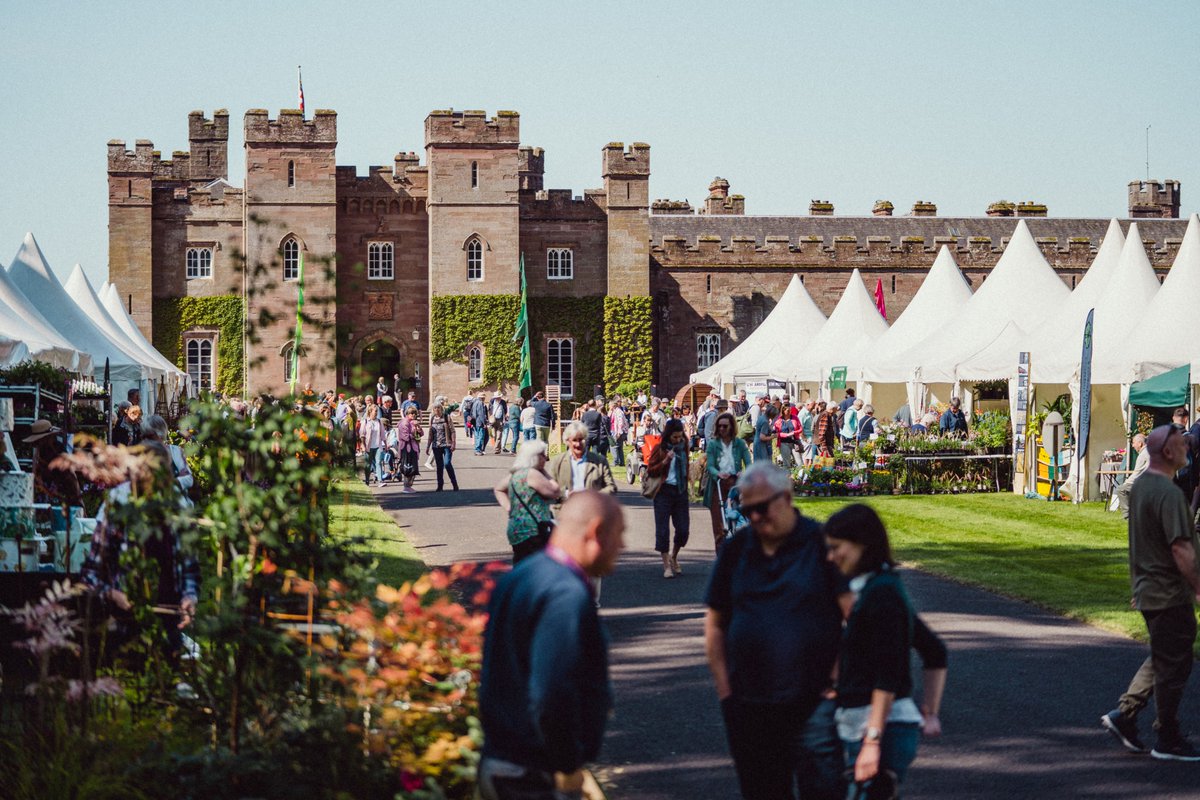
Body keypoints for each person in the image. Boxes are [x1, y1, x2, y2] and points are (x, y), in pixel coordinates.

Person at [705, 462, 850, 799]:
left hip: (815, 703)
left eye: (761, 508)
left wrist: (837, 678)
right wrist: (726, 693)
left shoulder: (821, 544)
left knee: (824, 791)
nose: (754, 517)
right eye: (746, 509)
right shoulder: (736, 551)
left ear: (786, 498)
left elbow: (854, 614)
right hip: (749, 704)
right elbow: (714, 625)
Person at [479, 491, 624, 800]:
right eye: (618, 536)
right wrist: (569, 763)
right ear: (596, 532)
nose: (622, 547)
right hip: (532, 773)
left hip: (501, 759)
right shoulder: (565, 594)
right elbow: (552, 691)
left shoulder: (520, 576)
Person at [824, 504, 948, 794]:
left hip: (880, 731)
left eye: (836, 547)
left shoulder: (882, 595)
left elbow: (887, 673)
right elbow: (934, 650)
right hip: (875, 727)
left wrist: (872, 741)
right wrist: (930, 712)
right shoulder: (879, 587)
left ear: (862, 544)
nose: (830, 556)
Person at [1101, 425, 1200, 760]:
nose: (1187, 447)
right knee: (1175, 661)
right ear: (1168, 453)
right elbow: (1181, 549)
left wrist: (1138, 585)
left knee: (1165, 654)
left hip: (1148, 589)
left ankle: (1125, 715)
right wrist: (1198, 588)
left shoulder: (1140, 486)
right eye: (1181, 444)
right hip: (1168, 593)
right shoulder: (1169, 493)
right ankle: (1167, 736)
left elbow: (1141, 541)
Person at [81, 438, 199, 656]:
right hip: (123, 619)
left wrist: (189, 596)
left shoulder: (177, 505)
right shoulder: (119, 503)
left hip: (167, 615)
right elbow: (91, 574)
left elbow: (189, 564)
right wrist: (112, 594)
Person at [494, 440, 561, 563]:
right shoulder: (533, 475)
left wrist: (510, 508)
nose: (545, 458)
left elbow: (498, 489)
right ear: (533, 457)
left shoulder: (516, 474)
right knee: (535, 567)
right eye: (542, 455)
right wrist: (545, 472)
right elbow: (555, 491)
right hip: (533, 530)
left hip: (516, 529)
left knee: (521, 563)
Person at [645, 418, 691, 579]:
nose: (678, 440)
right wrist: (665, 461)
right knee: (663, 530)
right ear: (668, 436)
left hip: (680, 491)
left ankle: (674, 556)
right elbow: (651, 470)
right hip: (663, 492)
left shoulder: (683, 447)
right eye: (675, 437)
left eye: (680, 436)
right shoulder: (660, 448)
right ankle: (666, 565)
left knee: (683, 529)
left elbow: (686, 467)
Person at [704, 411, 751, 551]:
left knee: (741, 521)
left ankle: (739, 552)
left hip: (736, 484)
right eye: (720, 426)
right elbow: (710, 465)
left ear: (732, 427)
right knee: (719, 525)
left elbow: (748, 462)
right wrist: (717, 473)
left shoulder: (740, 444)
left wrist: (744, 472)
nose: (722, 429)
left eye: (725, 426)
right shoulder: (713, 444)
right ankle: (721, 557)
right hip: (718, 485)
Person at [548, 421, 617, 500]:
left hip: (592, 508)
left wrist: (593, 495)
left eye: (581, 439)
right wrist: (565, 494)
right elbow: (549, 488)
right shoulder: (557, 462)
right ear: (567, 442)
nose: (578, 444)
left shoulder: (600, 461)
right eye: (574, 440)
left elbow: (611, 487)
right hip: (565, 508)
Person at [141, 414, 194, 500]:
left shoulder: (174, 451)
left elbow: (188, 479)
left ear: (160, 435)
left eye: (149, 436)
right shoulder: (141, 454)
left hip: (175, 503)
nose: (146, 440)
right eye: (143, 436)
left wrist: (164, 484)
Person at [1113, 433, 1150, 518]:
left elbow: (1137, 473)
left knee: (1121, 489)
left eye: (1133, 443)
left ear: (1140, 444)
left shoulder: (1143, 455)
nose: (1133, 446)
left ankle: (1127, 514)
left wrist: (1126, 483)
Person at [425, 404, 460, 492]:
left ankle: (454, 484)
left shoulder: (446, 417)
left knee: (447, 463)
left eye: (439, 408)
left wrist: (453, 443)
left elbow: (452, 430)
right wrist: (428, 446)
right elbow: (430, 434)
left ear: (442, 409)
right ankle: (440, 486)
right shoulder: (432, 418)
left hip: (447, 444)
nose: (437, 410)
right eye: (435, 408)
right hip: (436, 446)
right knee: (439, 466)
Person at [394, 406, 423, 493]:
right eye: (411, 413)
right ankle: (406, 486)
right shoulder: (404, 423)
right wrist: (414, 434)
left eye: (415, 413)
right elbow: (405, 437)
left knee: (413, 468)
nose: (413, 415)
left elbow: (421, 434)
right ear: (407, 414)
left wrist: (417, 427)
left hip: (414, 448)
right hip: (406, 448)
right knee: (408, 468)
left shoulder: (413, 423)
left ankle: (409, 486)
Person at [358, 404, 384, 485]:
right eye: (375, 411)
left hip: (378, 446)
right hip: (368, 446)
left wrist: (385, 445)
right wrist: (362, 445)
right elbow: (362, 434)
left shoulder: (379, 421)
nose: (376, 413)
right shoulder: (365, 421)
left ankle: (380, 480)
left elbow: (383, 434)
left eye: (377, 411)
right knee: (368, 465)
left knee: (378, 462)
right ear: (370, 412)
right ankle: (367, 480)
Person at [610, 399, 629, 468]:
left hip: (618, 431)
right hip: (615, 430)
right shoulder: (614, 411)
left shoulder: (618, 412)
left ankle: (616, 461)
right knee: (619, 447)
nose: (609, 407)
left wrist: (619, 432)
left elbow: (620, 422)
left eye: (609, 405)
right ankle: (622, 462)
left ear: (613, 405)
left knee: (613, 446)